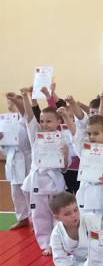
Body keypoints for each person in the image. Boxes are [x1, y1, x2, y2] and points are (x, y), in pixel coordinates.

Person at [20, 87, 68, 253]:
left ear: (58, 122)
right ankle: (46, 244)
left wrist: (65, 155)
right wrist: (25, 96)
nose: (44, 124)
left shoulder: (62, 138)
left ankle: (58, 243)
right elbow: (29, 117)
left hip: (55, 181)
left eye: (48, 121)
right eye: (42, 121)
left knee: (58, 214)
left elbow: (64, 168)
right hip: (38, 182)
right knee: (39, 215)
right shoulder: (36, 135)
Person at [62, 113, 103, 215]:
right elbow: (75, 136)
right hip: (87, 193)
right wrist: (66, 116)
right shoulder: (85, 149)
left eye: (96, 133)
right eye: (89, 133)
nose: (92, 137)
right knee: (86, 221)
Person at [47, 192, 98, 266]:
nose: (74, 215)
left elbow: (100, 246)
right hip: (78, 264)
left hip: (97, 261)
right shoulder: (57, 233)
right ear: (57, 217)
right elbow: (60, 259)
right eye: (67, 214)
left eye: (75, 210)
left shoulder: (90, 220)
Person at [1, 92, 31, 229]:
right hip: (12, 158)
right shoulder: (4, 122)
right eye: (8, 103)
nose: (9, 106)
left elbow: (25, 113)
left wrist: (19, 101)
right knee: (16, 192)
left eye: (11, 103)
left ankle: (35, 219)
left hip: (26, 158)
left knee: (29, 192)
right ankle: (22, 218)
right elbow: (4, 148)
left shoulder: (25, 119)